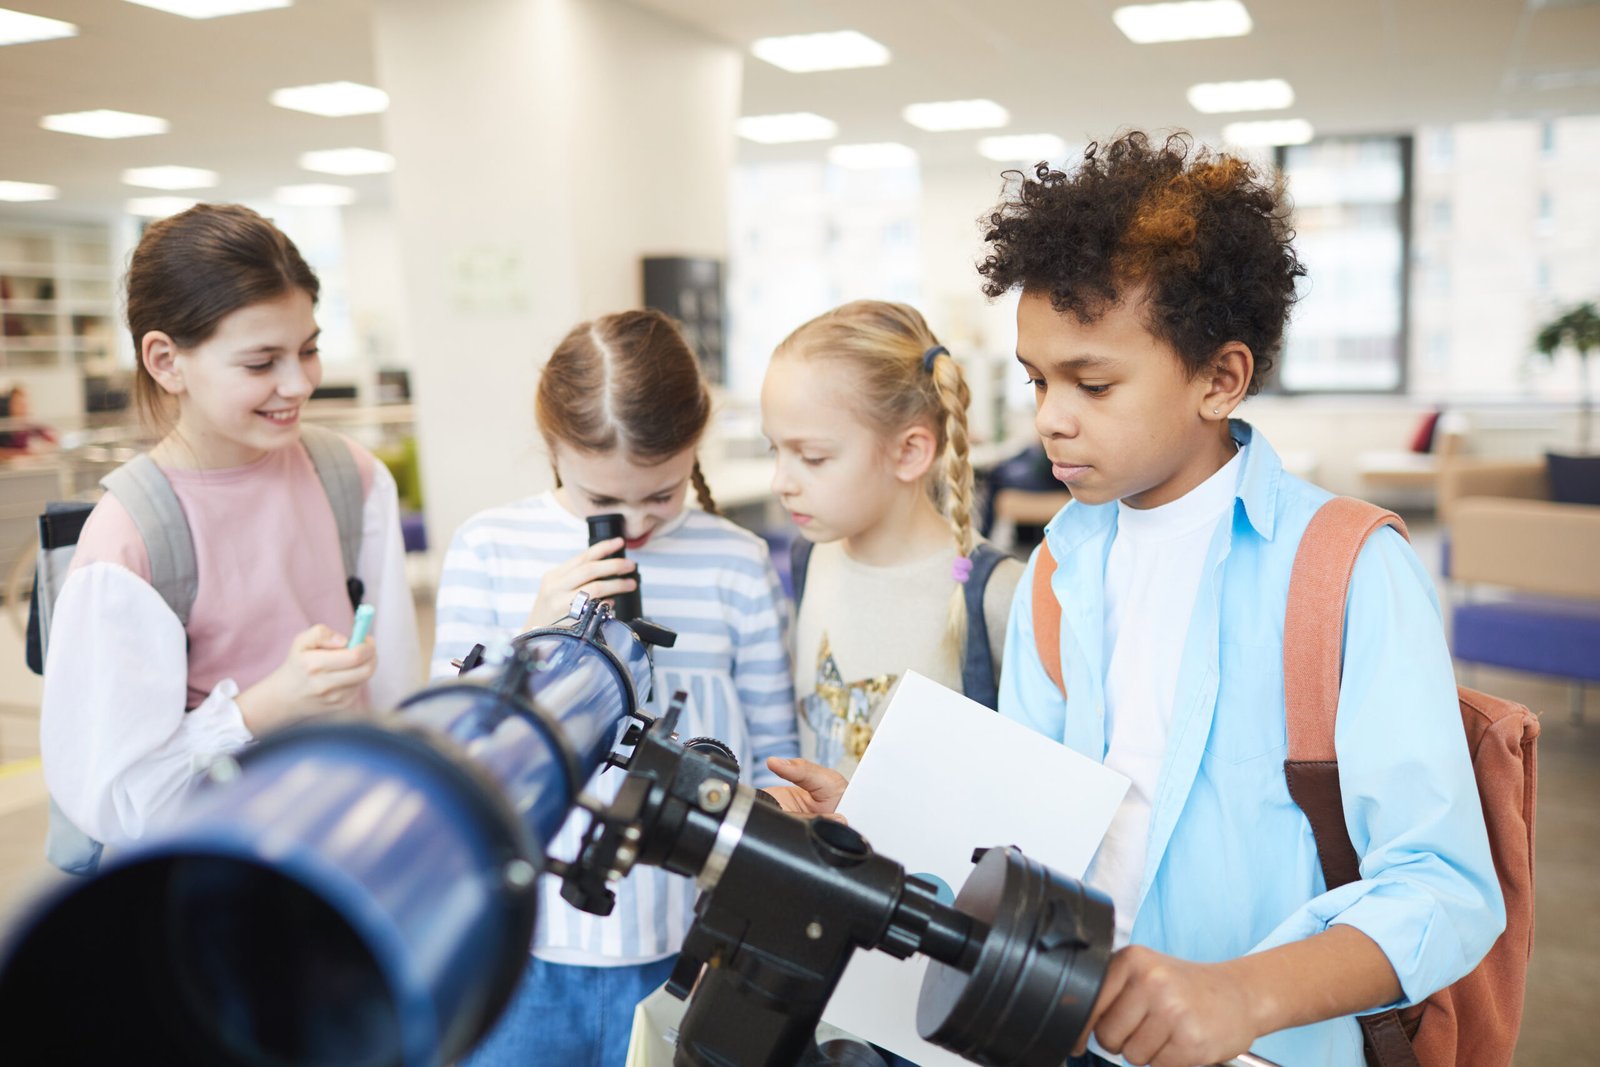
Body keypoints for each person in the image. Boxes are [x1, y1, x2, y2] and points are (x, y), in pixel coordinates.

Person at [432, 308, 799, 1067]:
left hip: (688, 944)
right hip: (527, 942)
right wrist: (532, 636)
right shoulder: (491, 547)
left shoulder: (735, 561)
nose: (633, 525)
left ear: (694, 446)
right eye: (607, 502)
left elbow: (774, 754)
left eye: (661, 495)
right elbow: (450, 750)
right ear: (553, 446)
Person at [40, 203, 419, 847]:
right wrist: (265, 706)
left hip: (356, 838)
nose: (299, 383)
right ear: (165, 360)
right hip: (227, 869)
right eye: (261, 362)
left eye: (309, 349)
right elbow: (118, 801)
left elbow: (396, 691)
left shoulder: (350, 476)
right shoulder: (130, 538)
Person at [761, 300, 1023, 779]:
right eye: (774, 449)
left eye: (813, 457)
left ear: (909, 452)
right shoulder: (810, 557)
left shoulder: (999, 594)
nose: (780, 481)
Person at [0, 384, 59, 457]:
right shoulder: (4, 427)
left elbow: (52, 438)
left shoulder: (29, 426)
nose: (23, 407)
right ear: (8, 405)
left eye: (24, 403)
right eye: (18, 403)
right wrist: (23, 453)